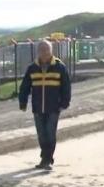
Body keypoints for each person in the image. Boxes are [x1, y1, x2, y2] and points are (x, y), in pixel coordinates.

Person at [18, 39, 71, 171]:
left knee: (50, 133)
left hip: (54, 107)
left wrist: (64, 103)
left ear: (51, 51)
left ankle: (47, 159)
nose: (44, 52)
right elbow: (25, 87)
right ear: (38, 52)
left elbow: (66, 87)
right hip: (37, 107)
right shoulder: (32, 68)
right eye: (42, 50)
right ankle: (44, 157)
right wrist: (23, 102)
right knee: (41, 134)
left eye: (47, 49)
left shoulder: (60, 67)